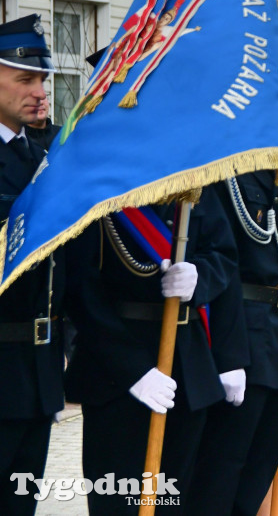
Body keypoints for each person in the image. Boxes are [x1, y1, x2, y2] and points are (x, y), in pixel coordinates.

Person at [64, 190, 241, 515]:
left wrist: (200, 276)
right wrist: (134, 370)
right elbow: (79, 288)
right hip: (115, 374)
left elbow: (224, 254)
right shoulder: (98, 184)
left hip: (186, 367)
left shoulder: (196, 179)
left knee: (174, 501)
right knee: (118, 501)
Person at [187, 171, 278, 516]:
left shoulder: (275, 174)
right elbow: (223, 264)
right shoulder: (224, 174)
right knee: (222, 468)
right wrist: (230, 356)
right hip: (244, 334)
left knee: (262, 464)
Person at [0, 14, 66, 515]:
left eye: (41, 78)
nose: (38, 90)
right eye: (24, 78)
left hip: (37, 370)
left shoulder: (39, 154)